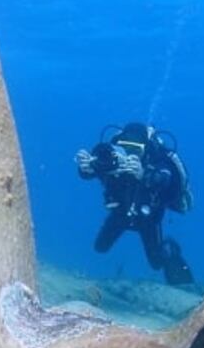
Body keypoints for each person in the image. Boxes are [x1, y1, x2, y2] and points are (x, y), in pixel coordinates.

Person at [74, 122, 194, 286]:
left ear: (146, 149)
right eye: (124, 149)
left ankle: (170, 249)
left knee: (156, 263)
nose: (130, 155)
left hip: (149, 219)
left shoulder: (158, 159)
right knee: (100, 247)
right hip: (120, 214)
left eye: (136, 150)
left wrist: (145, 175)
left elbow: (165, 178)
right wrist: (85, 167)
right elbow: (93, 170)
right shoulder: (112, 157)